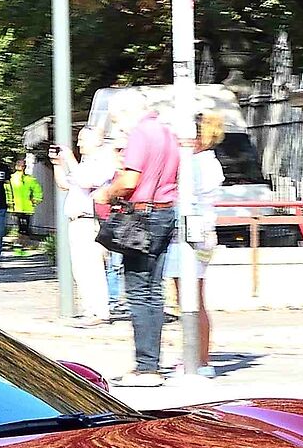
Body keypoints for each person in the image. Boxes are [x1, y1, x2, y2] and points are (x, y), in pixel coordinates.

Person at [96, 94, 181, 387]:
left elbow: (130, 181)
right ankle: (151, 363)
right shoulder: (168, 133)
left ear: (128, 112)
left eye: (118, 120)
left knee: (138, 292)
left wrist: (105, 193)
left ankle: (146, 368)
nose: (120, 127)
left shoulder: (141, 135)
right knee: (154, 291)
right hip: (166, 213)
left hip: (142, 217)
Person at [167, 111, 228, 358]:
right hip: (202, 231)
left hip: (192, 232)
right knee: (190, 299)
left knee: (191, 300)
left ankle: (199, 358)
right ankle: (197, 356)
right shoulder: (208, 162)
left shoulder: (197, 164)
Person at [53, 125, 117, 323]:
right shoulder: (86, 163)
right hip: (77, 221)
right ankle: (90, 309)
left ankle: (100, 311)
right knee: (80, 269)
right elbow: (65, 184)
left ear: (97, 140)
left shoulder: (102, 161)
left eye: (83, 139)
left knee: (92, 267)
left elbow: (85, 180)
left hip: (89, 220)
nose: (79, 143)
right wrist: (57, 164)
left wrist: (70, 159)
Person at [8, 166, 43, 239]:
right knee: (20, 227)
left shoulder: (29, 179)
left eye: (23, 166)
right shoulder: (11, 178)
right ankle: (21, 241)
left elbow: (37, 190)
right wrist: (9, 202)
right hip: (16, 207)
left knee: (25, 227)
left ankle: (23, 241)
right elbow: (7, 191)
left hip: (27, 207)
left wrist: (36, 200)